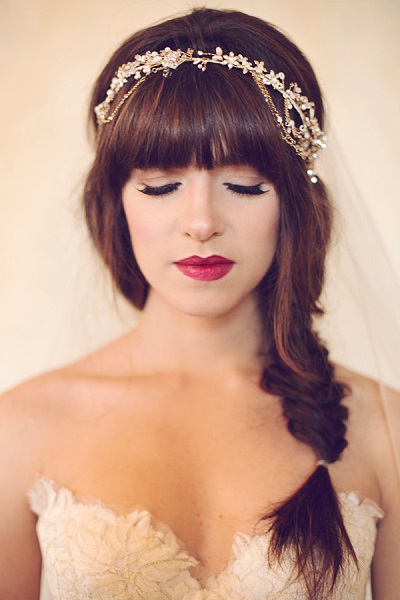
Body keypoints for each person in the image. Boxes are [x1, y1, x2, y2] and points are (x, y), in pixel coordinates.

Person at [0, 7, 398, 599]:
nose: (202, 222)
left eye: (244, 186)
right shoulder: (19, 428)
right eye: (161, 186)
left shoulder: (383, 429)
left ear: (294, 203)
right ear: (116, 202)